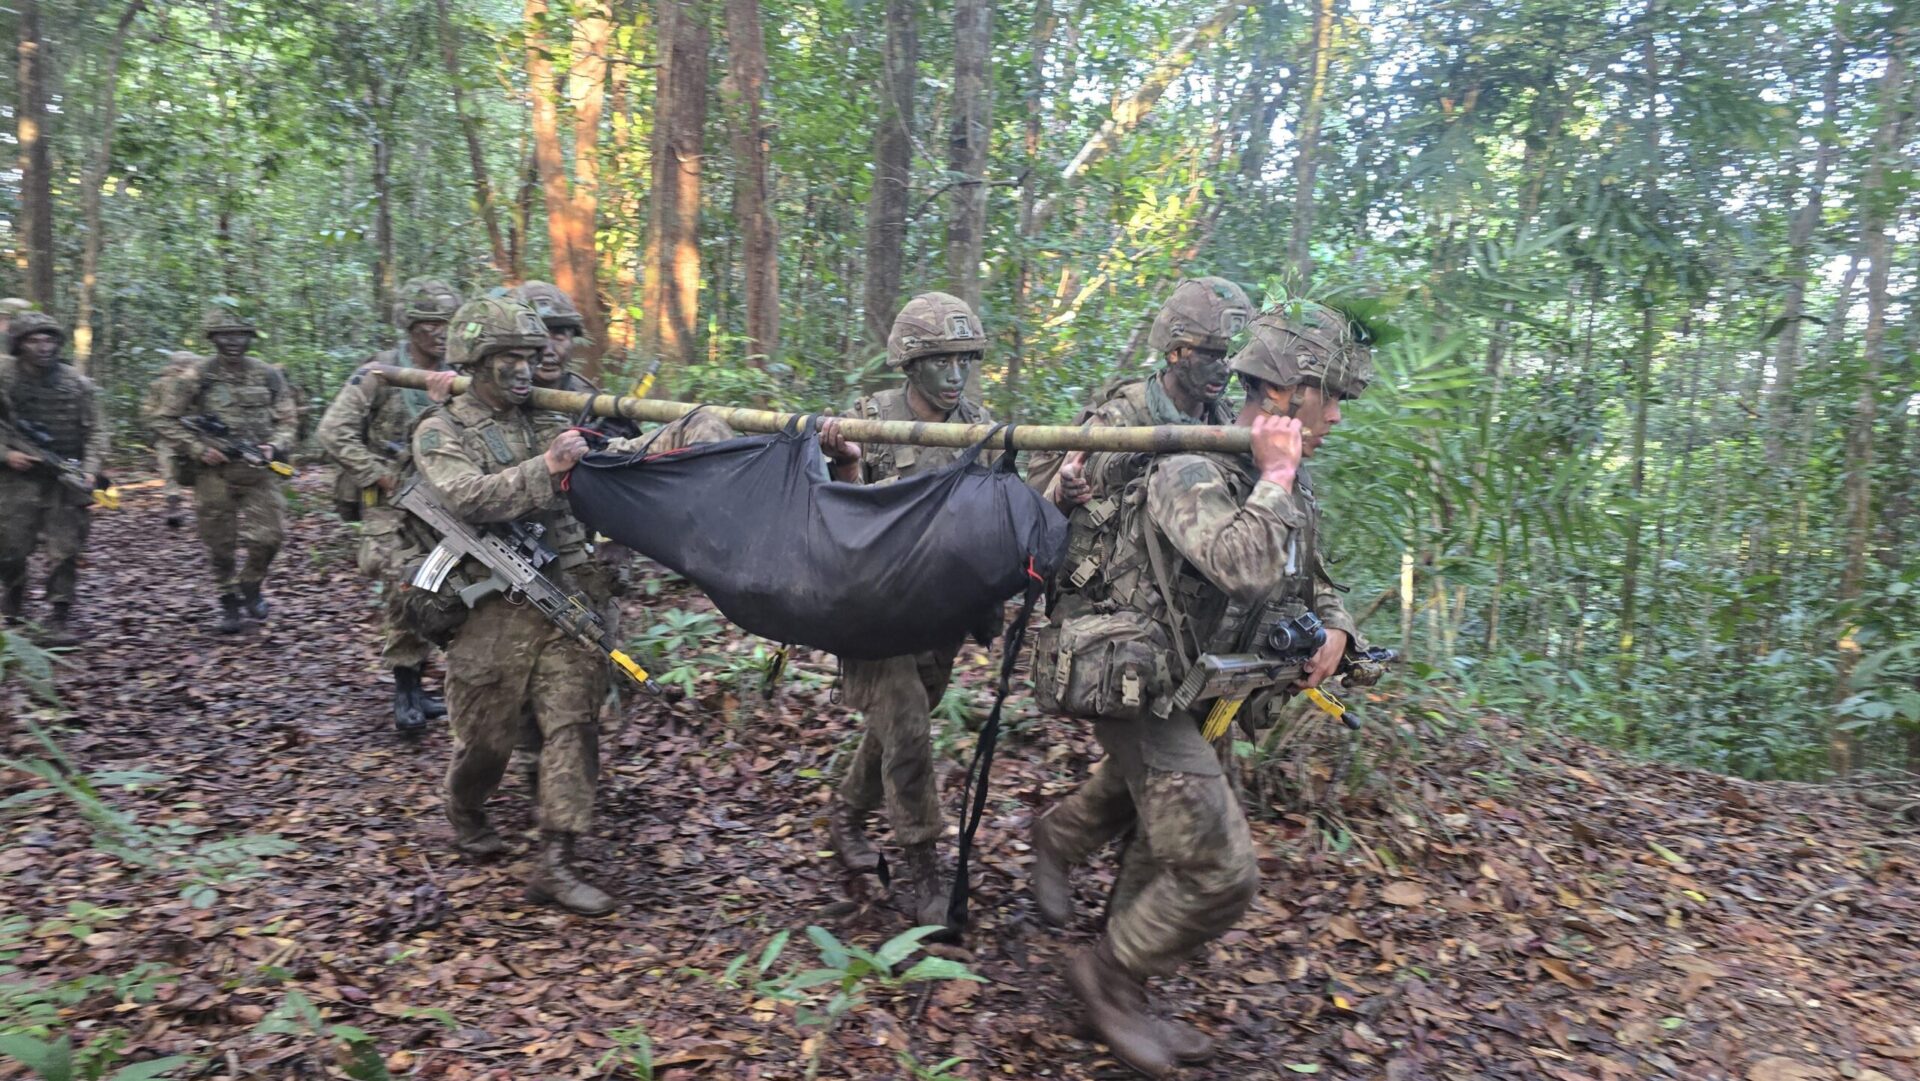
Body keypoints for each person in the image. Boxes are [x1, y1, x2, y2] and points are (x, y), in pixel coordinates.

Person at [1027, 302, 1373, 1076]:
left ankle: (1120, 987)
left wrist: (1337, 628)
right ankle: (1104, 976)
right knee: (1221, 870)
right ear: (1286, 393)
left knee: (1157, 837)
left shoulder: (1279, 476)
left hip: (1203, 686)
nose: (1338, 418)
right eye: (1331, 400)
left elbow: (1306, 575)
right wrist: (1276, 478)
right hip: (1138, 684)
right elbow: (1243, 563)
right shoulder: (1190, 465)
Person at [409, 296, 616, 916]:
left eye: (531, 356)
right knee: (486, 742)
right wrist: (547, 467)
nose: (527, 369)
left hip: (564, 598)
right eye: (509, 359)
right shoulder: (441, 430)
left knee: (573, 724)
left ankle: (556, 859)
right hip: (487, 609)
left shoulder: (549, 413)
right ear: (477, 363)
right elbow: (463, 496)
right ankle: (464, 808)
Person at [812, 291, 999, 930]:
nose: (954, 376)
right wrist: (849, 466)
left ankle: (845, 812)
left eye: (964, 361)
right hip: (872, 615)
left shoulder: (981, 427)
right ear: (910, 365)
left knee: (894, 729)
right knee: (910, 731)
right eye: (940, 362)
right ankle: (922, 867)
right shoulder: (867, 422)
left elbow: (1001, 516)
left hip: (937, 617)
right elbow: (841, 525)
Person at [317, 276, 463, 734]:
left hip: (444, 498)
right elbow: (334, 430)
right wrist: (376, 471)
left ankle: (427, 683)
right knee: (404, 586)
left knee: (445, 588)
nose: (438, 333)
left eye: (446, 324)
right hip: (390, 500)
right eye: (427, 325)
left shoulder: (462, 374)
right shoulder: (379, 373)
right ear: (410, 327)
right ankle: (405, 688)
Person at [157, 305, 298, 634]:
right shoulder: (197, 376)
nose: (233, 341)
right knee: (220, 544)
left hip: (258, 472)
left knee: (271, 537)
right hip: (214, 475)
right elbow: (162, 419)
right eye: (225, 335)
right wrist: (198, 449)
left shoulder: (267, 374)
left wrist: (274, 446)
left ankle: (251, 583)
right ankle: (228, 602)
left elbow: (288, 420)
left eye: (240, 334)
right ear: (213, 338)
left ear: (249, 338)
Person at [0, 312, 109, 645]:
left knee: (66, 548)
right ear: (19, 345)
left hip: (65, 475)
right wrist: (7, 455)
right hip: (16, 479)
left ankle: (59, 615)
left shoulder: (76, 383)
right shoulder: (4, 377)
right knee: (11, 548)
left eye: (49, 340)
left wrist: (90, 469)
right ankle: (14, 604)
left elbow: (99, 430)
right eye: (34, 340)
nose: (43, 347)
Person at [142, 351, 205, 529]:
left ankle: (175, 506)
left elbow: (147, 412)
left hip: (176, 436)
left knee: (172, 473)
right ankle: (178, 506)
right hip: (177, 435)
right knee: (193, 471)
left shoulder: (196, 385)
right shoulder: (163, 384)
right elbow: (149, 411)